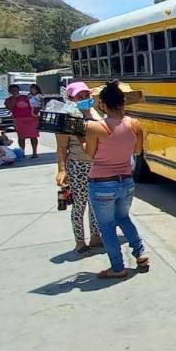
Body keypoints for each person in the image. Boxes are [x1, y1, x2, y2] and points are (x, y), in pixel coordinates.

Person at [85, 80, 148, 279]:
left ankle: (118, 267)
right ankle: (141, 253)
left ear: (102, 104)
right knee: (124, 218)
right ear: (123, 102)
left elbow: (90, 155)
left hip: (102, 183)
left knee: (107, 227)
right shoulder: (135, 124)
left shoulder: (95, 127)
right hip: (126, 181)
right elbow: (137, 151)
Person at [55, 82, 102, 253]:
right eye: (79, 96)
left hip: (97, 165)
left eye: (86, 95)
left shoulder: (96, 113)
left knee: (96, 203)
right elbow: (61, 148)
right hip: (78, 165)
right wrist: (62, 169)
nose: (84, 99)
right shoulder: (66, 118)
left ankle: (96, 237)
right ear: (71, 98)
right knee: (80, 204)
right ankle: (80, 241)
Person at [5, 84, 39, 158]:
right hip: (19, 119)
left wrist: (35, 114)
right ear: (10, 91)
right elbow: (10, 107)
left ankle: (35, 152)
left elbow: (35, 104)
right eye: (13, 90)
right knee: (21, 137)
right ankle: (22, 152)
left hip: (31, 118)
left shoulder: (26, 97)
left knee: (33, 136)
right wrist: (14, 98)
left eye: (16, 90)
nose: (15, 92)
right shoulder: (8, 100)